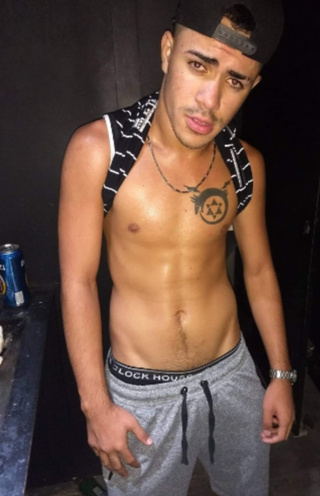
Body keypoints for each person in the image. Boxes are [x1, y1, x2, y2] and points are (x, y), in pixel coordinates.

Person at [58, 1, 296, 494]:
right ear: (168, 51)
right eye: (199, 65)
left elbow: (258, 271)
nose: (210, 100)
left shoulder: (244, 164)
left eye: (234, 81)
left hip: (232, 374)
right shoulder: (100, 151)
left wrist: (280, 374)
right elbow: (77, 282)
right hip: (141, 393)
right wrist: (95, 406)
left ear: (252, 86)